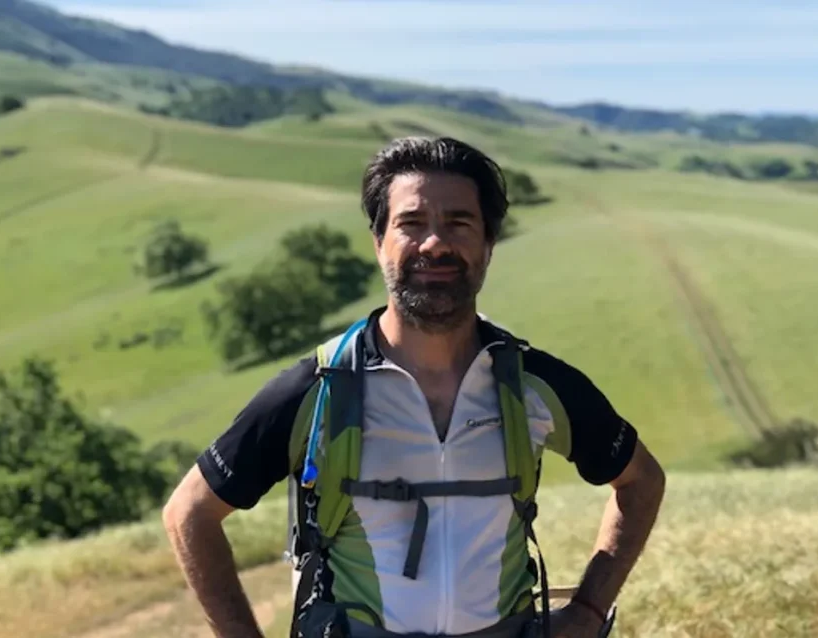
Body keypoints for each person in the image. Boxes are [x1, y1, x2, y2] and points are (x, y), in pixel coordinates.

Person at [162, 137, 666, 638]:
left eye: (459, 223)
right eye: (412, 223)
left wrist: (588, 611)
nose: (435, 243)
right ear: (378, 241)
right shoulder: (320, 388)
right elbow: (190, 513)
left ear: (489, 244)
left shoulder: (533, 384)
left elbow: (641, 481)